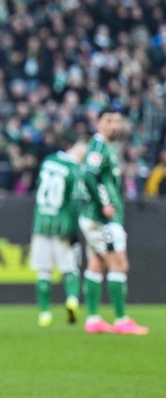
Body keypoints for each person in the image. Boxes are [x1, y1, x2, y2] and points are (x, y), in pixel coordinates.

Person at [78, 111, 148, 335]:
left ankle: (93, 319)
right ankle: (121, 320)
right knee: (119, 264)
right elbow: (89, 175)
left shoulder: (107, 147)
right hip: (101, 220)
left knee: (97, 264)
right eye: (108, 120)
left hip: (96, 218)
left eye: (117, 120)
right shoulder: (98, 146)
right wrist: (102, 206)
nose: (114, 125)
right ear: (98, 123)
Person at [29, 136, 86, 327]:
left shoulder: (48, 161)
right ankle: (71, 300)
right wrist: (74, 230)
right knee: (69, 268)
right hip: (62, 222)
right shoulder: (75, 169)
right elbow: (75, 202)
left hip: (41, 221)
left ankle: (44, 313)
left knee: (44, 270)